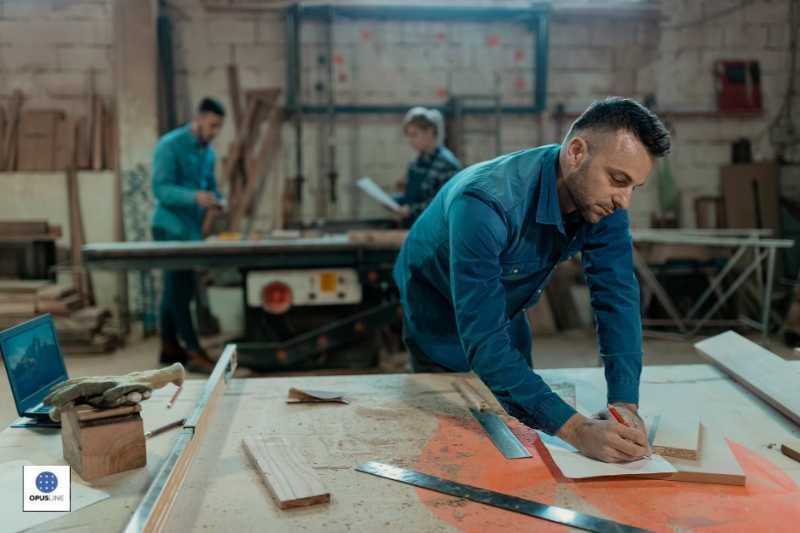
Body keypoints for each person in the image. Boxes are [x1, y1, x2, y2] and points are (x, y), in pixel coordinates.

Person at [393, 97, 671, 463]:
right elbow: (483, 339)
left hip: (508, 302)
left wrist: (624, 402)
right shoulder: (485, 204)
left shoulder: (605, 204)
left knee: (517, 415)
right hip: (435, 302)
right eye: (618, 179)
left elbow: (616, 296)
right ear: (575, 153)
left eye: (635, 186)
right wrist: (577, 430)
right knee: (450, 436)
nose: (625, 200)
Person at [151, 97, 226, 373]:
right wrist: (195, 197)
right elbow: (160, 189)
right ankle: (193, 351)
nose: (215, 132)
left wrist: (218, 200)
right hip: (169, 226)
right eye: (212, 125)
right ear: (198, 118)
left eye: (219, 127)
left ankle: (169, 346)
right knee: (180, 291)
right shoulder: (169, 146)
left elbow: (213, 188)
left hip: (191, 231)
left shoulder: (208, 153)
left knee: (175, 290)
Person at [393, 107, 461, 227]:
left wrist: (411, 210)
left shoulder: (447, 164)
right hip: (414, 227)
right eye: (408, 135)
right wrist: (393, 202)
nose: (410, 140)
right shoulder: (417, 162)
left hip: (434, 232)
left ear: (430, 132)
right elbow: (412, 197)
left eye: (414, 135)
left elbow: (444, 203)